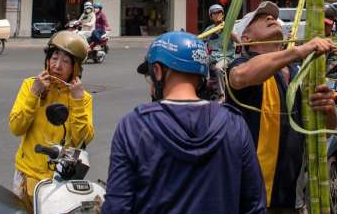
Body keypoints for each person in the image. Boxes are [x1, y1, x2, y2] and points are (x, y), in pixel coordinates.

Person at [102, 32, 265, 214]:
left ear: (157, 71)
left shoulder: (134, 126)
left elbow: (116, 207)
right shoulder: (234, 123)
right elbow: (254, 205)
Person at [225, 1, 337, 212]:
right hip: (252, 197)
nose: (270, 18)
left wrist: (328, 108)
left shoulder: (297, 74)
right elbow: (239, 77)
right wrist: (301, 50)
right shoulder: (242, 64)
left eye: (272, 16)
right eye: (260, 18)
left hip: (291, 196)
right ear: (245, 39)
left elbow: (328, 129)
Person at [9, 31, 94, 208]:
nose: (57, 65)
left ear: (75, 68)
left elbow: (82, 140)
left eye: (65, 61)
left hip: (59, 182)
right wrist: (34, 93)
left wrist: (77, 101)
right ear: (47, 60)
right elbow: (16, 127)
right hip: (27, 175)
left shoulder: (82, 98)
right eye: (54, 58)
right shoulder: (30, 85)